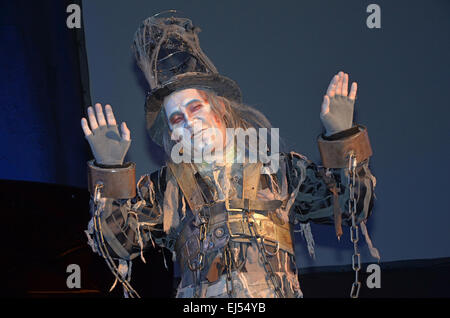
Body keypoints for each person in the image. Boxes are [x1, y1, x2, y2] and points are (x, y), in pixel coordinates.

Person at [81, 12, 377, 298]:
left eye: (195, 108)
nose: (189, 122)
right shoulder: (164, 190)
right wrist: (110, 172)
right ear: (173, 135)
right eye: (176, 119)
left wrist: (341, 139)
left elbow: (353, 208)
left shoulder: (280, 171)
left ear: (220, 109)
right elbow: (118, 246)